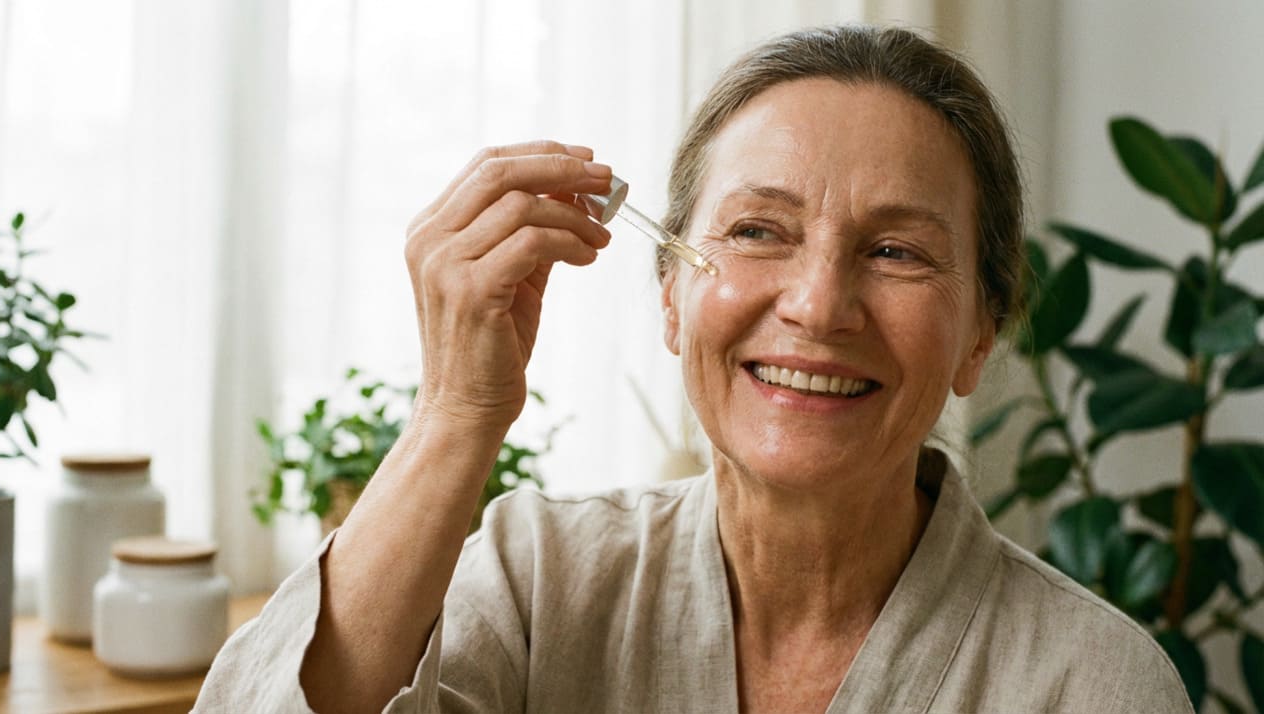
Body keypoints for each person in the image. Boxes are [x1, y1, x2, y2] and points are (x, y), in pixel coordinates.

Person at [196, 25, 1194, 713]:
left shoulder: (1093, 682)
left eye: (894, 252)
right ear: (669, 297)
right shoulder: (537, 581)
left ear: (980, 331)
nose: (814, 304)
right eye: (757, 230)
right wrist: (456, 413)